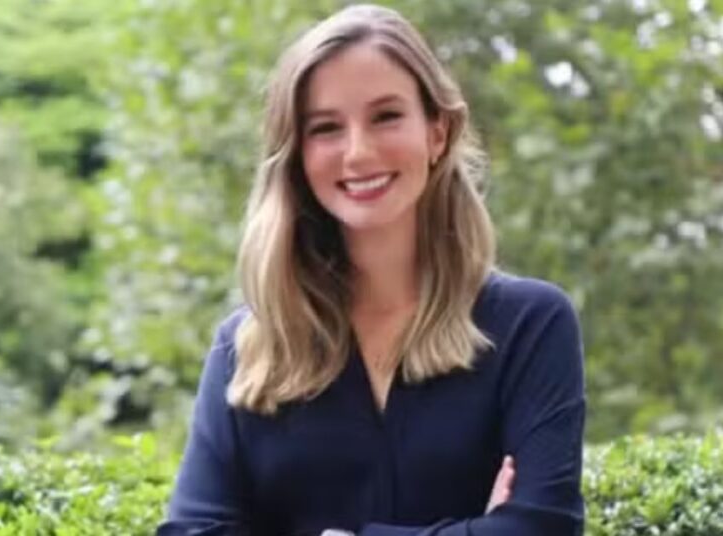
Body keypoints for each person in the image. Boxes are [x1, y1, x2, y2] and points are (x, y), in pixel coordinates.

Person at [157, 4, 585, 536]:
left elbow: (540, 529)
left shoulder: (531, 325)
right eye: (326, 128)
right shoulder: (247, 346)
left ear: (438, 132)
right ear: (297, 155)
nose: (357, 152)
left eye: (386, 116)